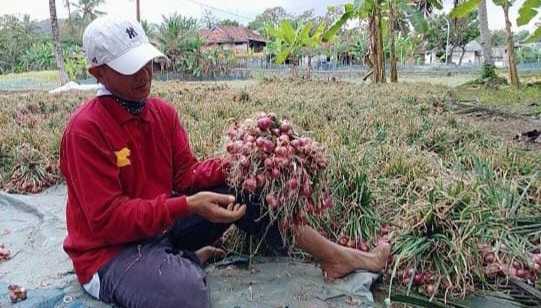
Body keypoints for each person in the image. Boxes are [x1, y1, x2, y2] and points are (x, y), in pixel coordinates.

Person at [60, 15, 391, 308]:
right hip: (111, 253)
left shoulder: (161, 114)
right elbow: (108, 220)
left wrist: (244, 162)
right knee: (185, 295)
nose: (145, 73)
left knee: (244, 190)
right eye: (130, 67)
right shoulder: (86, 131)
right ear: (97, 73)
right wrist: (188, 206)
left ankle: (336, 257)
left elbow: (185, 175)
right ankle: (184, 261)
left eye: (147, 62)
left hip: (161, 228)